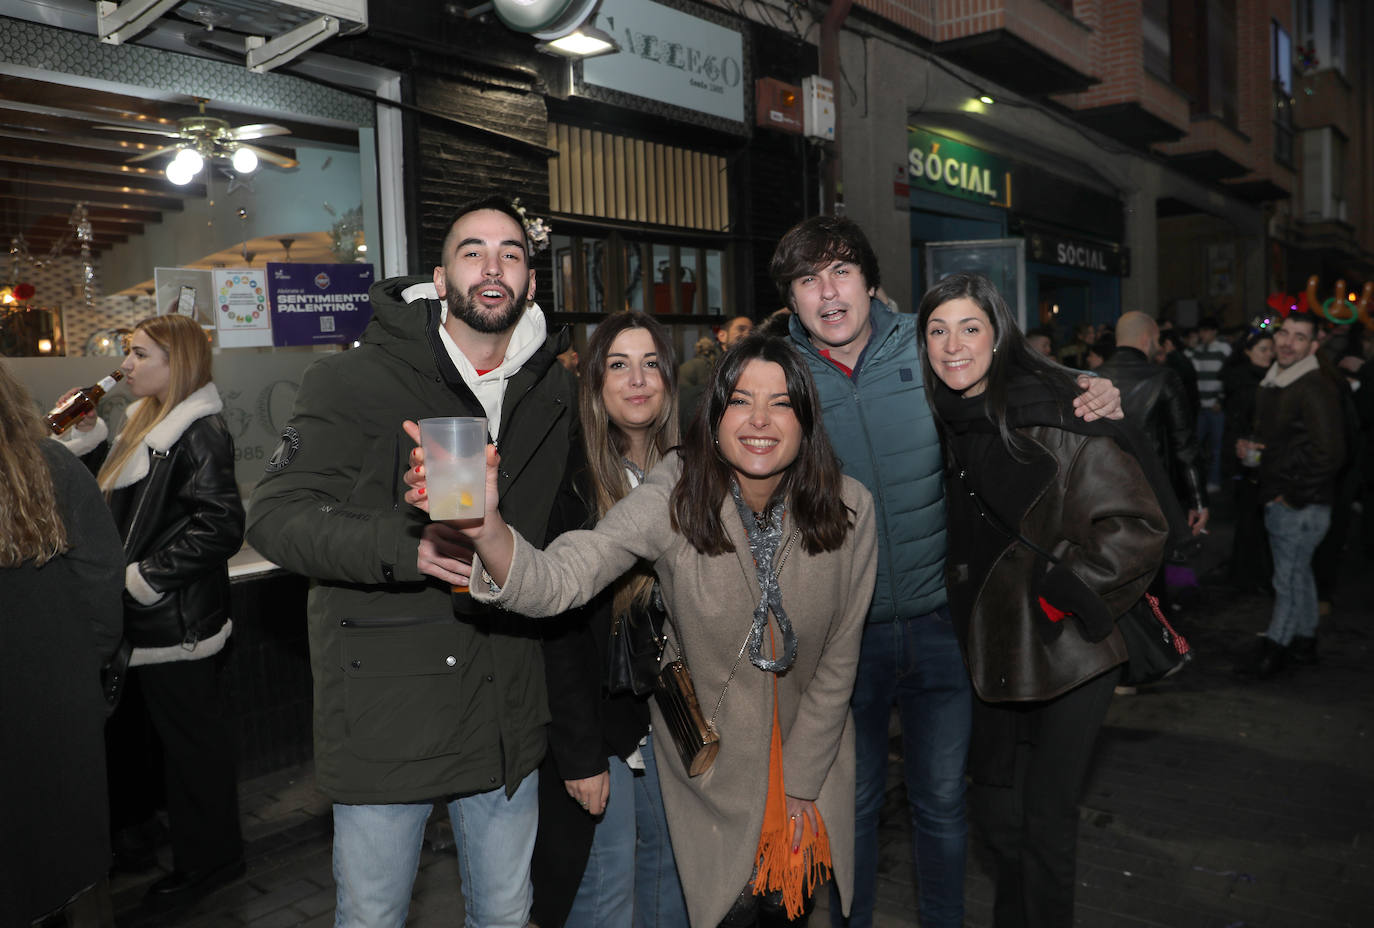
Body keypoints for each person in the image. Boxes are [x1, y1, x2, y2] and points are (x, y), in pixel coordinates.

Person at [406, 334, 878, 928]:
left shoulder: (849, 507)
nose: (759, 420)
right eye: (740, 401)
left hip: (810, 766)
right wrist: (488, 529)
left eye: (781, 403)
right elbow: (567, 575)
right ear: (714, 415)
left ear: (806, 419)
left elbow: (840, 658)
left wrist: (803, 783)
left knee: (790, 913)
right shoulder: (676, 496)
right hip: (712, 774)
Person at [770, 215, 1122, 928]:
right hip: (845, 638)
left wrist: (1091, 386)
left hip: (941, 626)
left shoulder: (925, 348)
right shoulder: (778, 376)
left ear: (872, 282)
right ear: (792, 300)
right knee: (854, 804)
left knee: (940, 803)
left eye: (841, 272)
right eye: (808, 280)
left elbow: (1011, 370)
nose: (828, 293)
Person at [246, 196, 580, 927]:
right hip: (388, 710)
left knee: (505, 914)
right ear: (439, 275)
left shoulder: (551, 389)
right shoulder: (356, 380)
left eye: (512, 254)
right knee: (373, 916)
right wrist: (408, 548)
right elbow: (274, 516)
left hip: (505, 706)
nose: (493, 267)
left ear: (528, 282)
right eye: (473, 251)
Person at [917, 272, 1168, 928]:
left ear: (1000, 335)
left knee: (1046, 827)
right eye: (937, 330)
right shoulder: (941, 420)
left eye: (970, 327)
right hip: (989, 647)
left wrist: (1066, 592)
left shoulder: (1055, 409)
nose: (953, 345)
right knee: (1000, 821)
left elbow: (1137, 525)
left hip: (1068, 650)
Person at [55, 312, 247, 912]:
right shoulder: (147, 420)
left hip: (177, 625)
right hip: (146, 624)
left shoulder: (198, 431)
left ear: (176, 363)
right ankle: (162, 841)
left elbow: (221, 528)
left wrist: (142, 580)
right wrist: (85, 438)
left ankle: (212, 862)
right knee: (157, 745)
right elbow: (110, 502)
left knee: (194, 752)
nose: (126, 365)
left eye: (139, 354)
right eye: (128, 353)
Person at [532, 311, 689, 928]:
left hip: (673, 721)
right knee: (604, 894)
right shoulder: (572, 480)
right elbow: (558, 630)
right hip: (601, 728)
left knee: (670, 883)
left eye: (651, 363)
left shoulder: (692, 471)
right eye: (619, 365)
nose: (637, 379)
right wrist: (580, 754)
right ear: (595, 382)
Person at [1, 360, 125, 926]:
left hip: (52, 692)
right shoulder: (47, 465)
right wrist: (84, 667)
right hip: (57, 696)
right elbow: (102, 578)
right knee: (71, 865)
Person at [1235, 312, 1345, 678]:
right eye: (1284, 333)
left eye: (1299, 337)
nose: (1287, 341)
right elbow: (1289, 441)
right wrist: (1255, 449)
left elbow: (1330, 453)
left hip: (1300, 504)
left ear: (1313, 347)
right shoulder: (1280, 379)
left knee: (1287, 579)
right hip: (1289, 496)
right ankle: (1304, 640)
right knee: (1299, 576)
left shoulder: (1312, 385)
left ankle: (1276, 647)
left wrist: (1292, 495)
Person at [1096, 311, 1209, 535]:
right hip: (1152, 490)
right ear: (1146, 339)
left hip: (1102, 490)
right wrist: (1197, 501)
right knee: (1151, 558)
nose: (1158, 347)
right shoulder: (1164, 378)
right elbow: (1184, 445)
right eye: (1157, 341)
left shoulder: (1092, 377)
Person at [1221, 330, 1275, 592]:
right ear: (1247, 351)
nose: (1269, 354)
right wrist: (1239, 444)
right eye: (1263, 349)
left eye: (1270, 349)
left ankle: (1254, 573)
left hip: (1262, 458)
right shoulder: (1243, 381)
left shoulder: (1269, 377)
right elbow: (1236, 423)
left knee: (1259, 519)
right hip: (1247, 458)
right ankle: (1247, 575)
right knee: (1249, 518)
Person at [679, 315, 755, 431]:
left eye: (751, 331)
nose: (747, 334)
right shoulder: (696, 367)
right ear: (722, 336)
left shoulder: (754, 372)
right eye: (741, 329)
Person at [1187, 316, 1231, 492]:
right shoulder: (1197, 350)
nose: (1202, 334)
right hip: (1201, 406)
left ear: (1214, 331)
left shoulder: (1224, 349)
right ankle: (1199, 481)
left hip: (1215, 406)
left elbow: (1228, 376)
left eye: (1205, 330)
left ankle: (1214, 480)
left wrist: (1220, 399)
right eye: (1200, 331)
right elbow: (1190, 370)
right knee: (1196, 445)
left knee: (1216, 447)